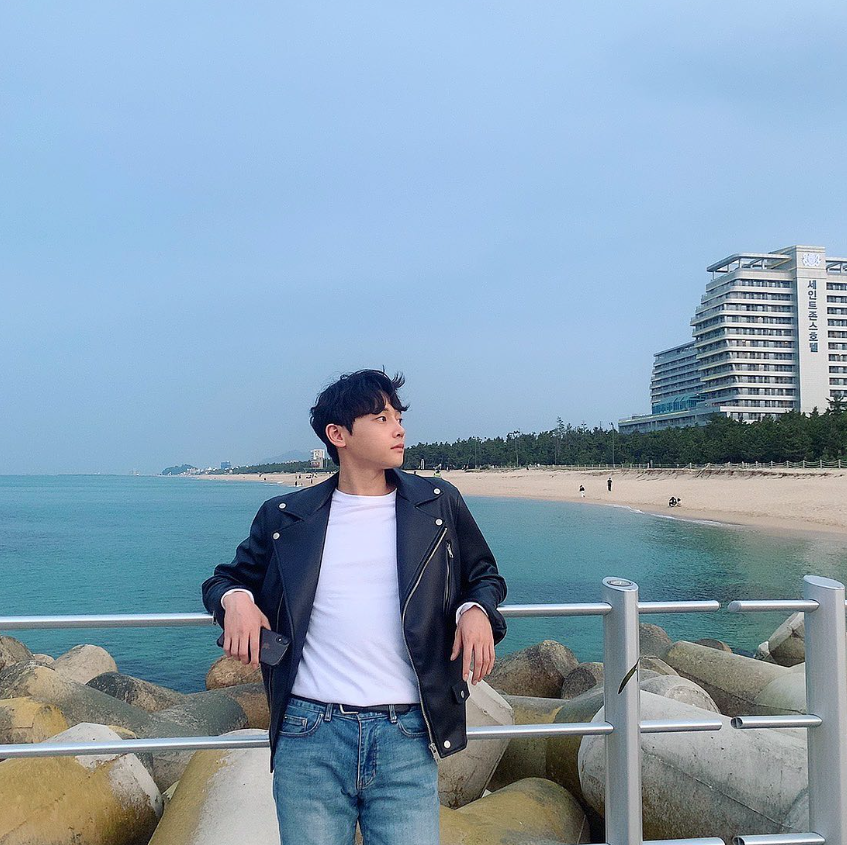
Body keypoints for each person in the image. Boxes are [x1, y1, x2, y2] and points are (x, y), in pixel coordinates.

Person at [201, 369, 507, 845]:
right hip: (308, 734)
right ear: (338, 434)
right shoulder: (287, 516)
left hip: (407, 733)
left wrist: (474, 610)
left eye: (398, 417)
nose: (399, 428)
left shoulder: (437, 504)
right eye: (382, 418)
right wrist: (235, 600)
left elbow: (484, 575)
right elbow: (224, 579)